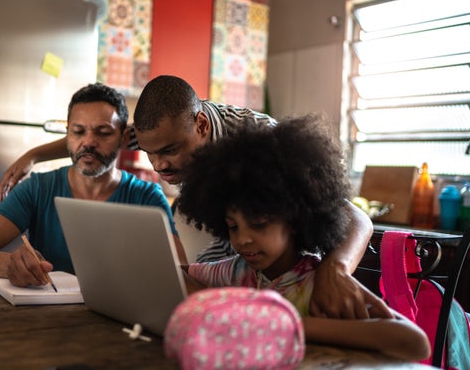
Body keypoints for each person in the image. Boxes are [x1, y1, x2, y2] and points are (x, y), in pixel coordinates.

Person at [0, 75, 383, 319]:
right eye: (150, 153)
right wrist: (33, 154)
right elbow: (96, 138)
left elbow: (357, 219)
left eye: (169, 151)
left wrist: (336, 270)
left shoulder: (257, 137)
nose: (160, 165)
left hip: (290, 274)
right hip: (235, 275)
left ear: (200, 124)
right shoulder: (159, 130)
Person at [175, 114, 431, 362]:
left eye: (259, 224)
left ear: (295, 220)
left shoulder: (318, 287)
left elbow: (415, 343)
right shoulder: (236, 272)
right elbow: (175, 274)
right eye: (233, 227)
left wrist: (284, 324)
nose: (242, 240)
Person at [0, 83, 187, 287]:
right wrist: (11, 265)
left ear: (124, 138)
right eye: (78, 132)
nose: (88, 143)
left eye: (103, 133)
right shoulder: (38, 189)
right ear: (67, 136)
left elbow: (179, 276)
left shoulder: (146, 197)